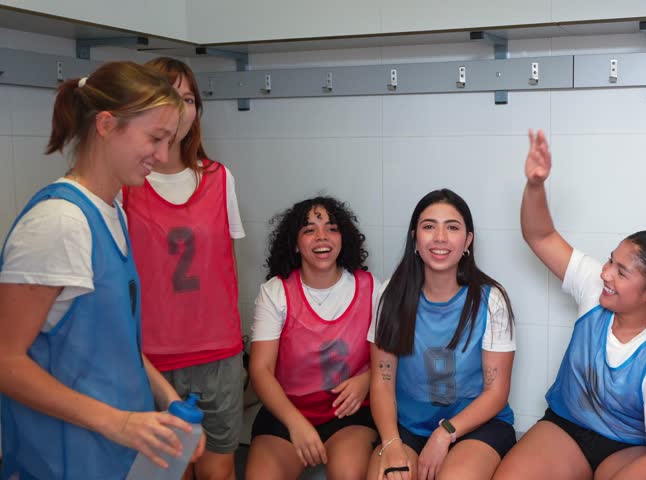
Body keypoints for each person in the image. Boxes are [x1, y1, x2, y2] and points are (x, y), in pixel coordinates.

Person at [0, 61, 203, 479]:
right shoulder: (59, 223)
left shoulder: (112, 213)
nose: (163, 155)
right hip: (62, 462)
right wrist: (121, 423)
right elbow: (5, 362)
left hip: (115, 457)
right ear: (107, 125)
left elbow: (116, 341)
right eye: (155, 138)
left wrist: (167, 401)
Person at [494, 130, 646, 480]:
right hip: (566, 429)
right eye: (610, 261)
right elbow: (540, 236)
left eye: (621, 271)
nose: (606, 273)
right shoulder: (595, 288)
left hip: (633, 445)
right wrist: (535, 185)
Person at [121, 57, 245, 480]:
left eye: (189, 98)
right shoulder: (125, 185)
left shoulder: (220, 178)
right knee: (163, 473)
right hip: (150, 359)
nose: (181, 108)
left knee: (218, 470)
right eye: (170, 95)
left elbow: (225, 266)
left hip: (218, 356)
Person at [368, 188, 517, 480]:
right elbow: (382, 382)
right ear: (415, 238)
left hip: (477, 427)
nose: (439, 237)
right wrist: (391, 441)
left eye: (452, 227)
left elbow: (496, 393)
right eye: (428, 227)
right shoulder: (391, 293)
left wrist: (445, 433)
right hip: (407, 428)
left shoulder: (492, 300)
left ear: (467, 241)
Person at [245, 197, 379, 480]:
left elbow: (389, 361)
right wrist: (296, 424)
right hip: (287, 412)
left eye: (331, 228)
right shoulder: (275, 292)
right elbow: (260, 370)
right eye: (309, 230)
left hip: (349, 415)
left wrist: (366, 381)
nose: (322, 237)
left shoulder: (371, 288)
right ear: (295, 243)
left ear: (343, 238)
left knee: (349, 474)